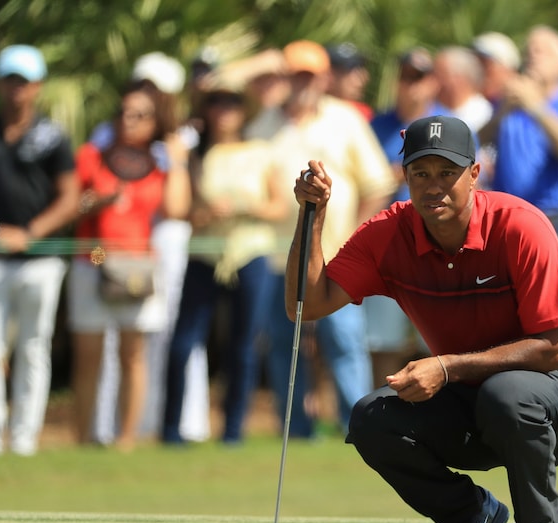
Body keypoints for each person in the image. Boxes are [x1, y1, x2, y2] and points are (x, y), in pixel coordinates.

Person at [287, 115, 558, 523]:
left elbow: (554, 349)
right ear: (405, 177)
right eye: (421, 174)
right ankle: (470, 517)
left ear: (474, 175)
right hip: (469, 401)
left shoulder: (521, 226)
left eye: (447, 173)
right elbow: (308, 304)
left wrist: (446, 367)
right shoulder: (388, 233)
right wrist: (311, 215)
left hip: (556, 397)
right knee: (371, 419)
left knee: (507, 394)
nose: (433, 186)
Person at [253, 40, 396, 438]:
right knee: (282, 345)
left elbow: (377, 185)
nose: (302, 83)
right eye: (294, 74)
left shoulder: (346, 119)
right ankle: (296, 429)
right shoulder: (263, 121)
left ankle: (359, 426)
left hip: (337, 256)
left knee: (344, 343)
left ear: (323, 78)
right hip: (273, 259)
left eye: (310, 75)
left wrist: (356, 239)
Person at [0, 45, 80, 455]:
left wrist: (28, 232)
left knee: (33, 349)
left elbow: (69, 199)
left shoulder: (53, 137)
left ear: (37, 87)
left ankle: (25, 440)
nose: (16, 89)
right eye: (10, 80)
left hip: (42, 260)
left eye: (23, 82)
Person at [162, 74, 289, 446]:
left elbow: (280, 205)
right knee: (184, 342)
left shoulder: (262, 151)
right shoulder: (195, 155)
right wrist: (206, 211)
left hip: (250, 253)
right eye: (216, 103)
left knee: (244, 345)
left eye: (232, 103)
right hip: (204, 253)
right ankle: (171, 430)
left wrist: (243, 206)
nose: (223, 111)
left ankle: (233, 430)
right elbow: (180, 210)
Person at [70, 82, 191, 450]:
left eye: (140, 115)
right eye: (124, 112)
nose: (129, 120)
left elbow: (176, 210)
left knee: (132, 354)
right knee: (88, 354)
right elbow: (70, 205)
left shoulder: (158, 164)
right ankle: (84, 438)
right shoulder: (93, 155)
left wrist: (180, 162)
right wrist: (97, 202)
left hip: (137, 264)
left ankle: (126, 439)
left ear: (154, 122)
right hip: (93, 258)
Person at [366, 47, 441, 385]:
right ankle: (382, 411)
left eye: (420, 78)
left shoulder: (448, 124)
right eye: (406, 77)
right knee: (383, 340)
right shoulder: (375, 125)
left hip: (439, 243)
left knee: (439, 339)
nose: (412, 86)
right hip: (389, 244)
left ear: (433, 83)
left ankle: (445, 415)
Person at [481, 25, 558, 233]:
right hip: (505, 216)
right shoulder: (509, 103)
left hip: (552, 219)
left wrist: (535, 107)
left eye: (541, 51)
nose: (532, 57)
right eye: (528, 51)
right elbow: (477, 141)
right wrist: (503, 110)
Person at [433, 46, 493, 133]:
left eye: (439, 74)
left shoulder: (485, 117)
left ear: (459, 78)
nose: (432, 81)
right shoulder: (432, 112)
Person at [326, 43, 372, 121]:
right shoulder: (309, 112)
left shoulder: (363, 114)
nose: (363, 78)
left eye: (360, 68)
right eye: (352, 69)